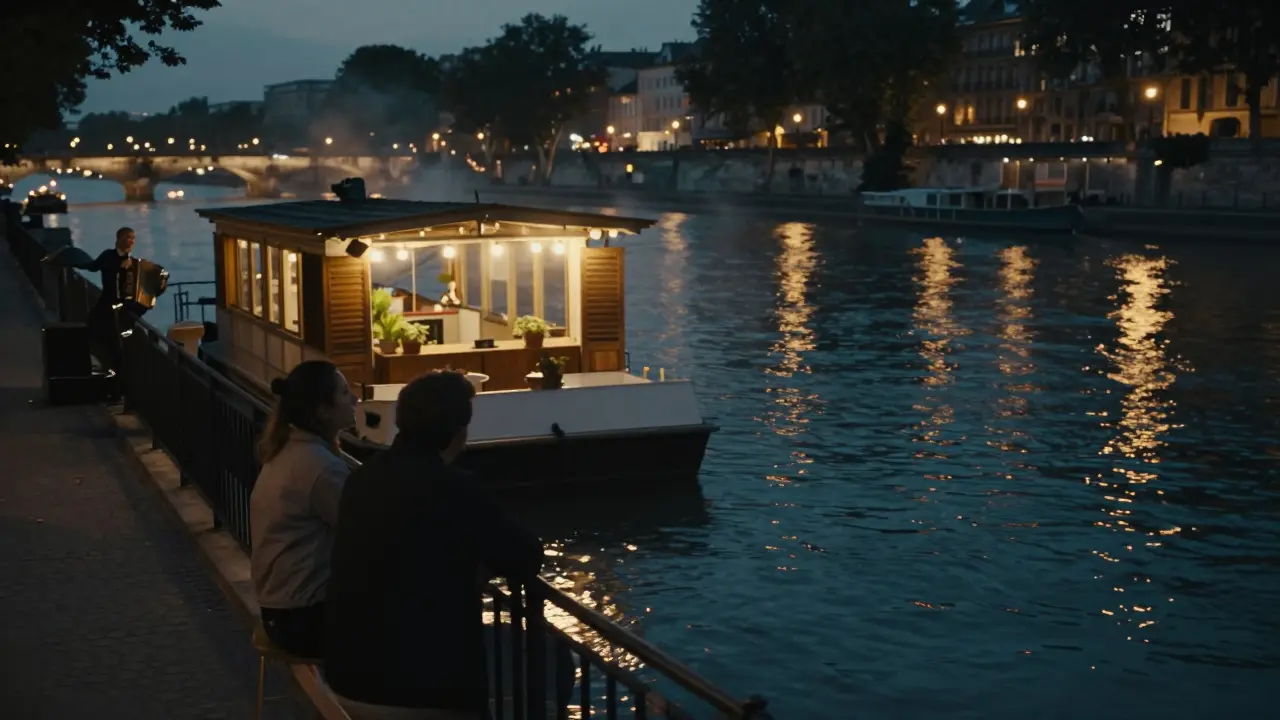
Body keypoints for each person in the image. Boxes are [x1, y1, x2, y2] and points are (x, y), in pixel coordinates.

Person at [323, 371, 544, 720]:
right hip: (424, 693)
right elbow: (526, 554)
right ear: (458, 433)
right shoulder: (456, 488)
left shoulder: (362, 478)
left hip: (347, 677)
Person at [250, 360, 357, 658]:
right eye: (345, 393)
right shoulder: (319, 467)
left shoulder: (286, 450)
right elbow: (358, 530)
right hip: (303, 618)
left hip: (278, 608)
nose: (355, 400)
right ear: (323, 410)